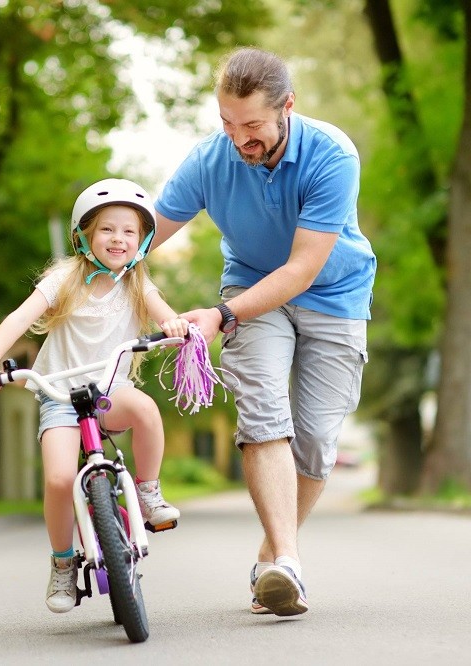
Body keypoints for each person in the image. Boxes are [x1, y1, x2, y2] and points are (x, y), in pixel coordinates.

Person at [152, 47, 376, 617]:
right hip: (251, 293)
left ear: (287, 108)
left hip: (333, 294)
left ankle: (273, 557)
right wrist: (89, 263)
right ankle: (287, 566)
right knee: (263, 414)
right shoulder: (210, 159)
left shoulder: (331, 154)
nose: (238, 139)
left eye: (252, 125)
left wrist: (220, 318)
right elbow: (144, 233)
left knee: (318, 439)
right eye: (227, 123)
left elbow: (303, 268)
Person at [0, 178, 189, 614]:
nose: (118, 239)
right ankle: (63, 562)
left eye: (129, 231)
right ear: (85, 235)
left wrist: (176, 327)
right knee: (56, 480)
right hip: (60, 397)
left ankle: (147, 491)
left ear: (142, 240)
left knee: (145, 409)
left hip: (111, 392)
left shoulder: (136, 283)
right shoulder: (64, 279)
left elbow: (168, 318)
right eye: (108, 229)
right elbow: (18, 319)